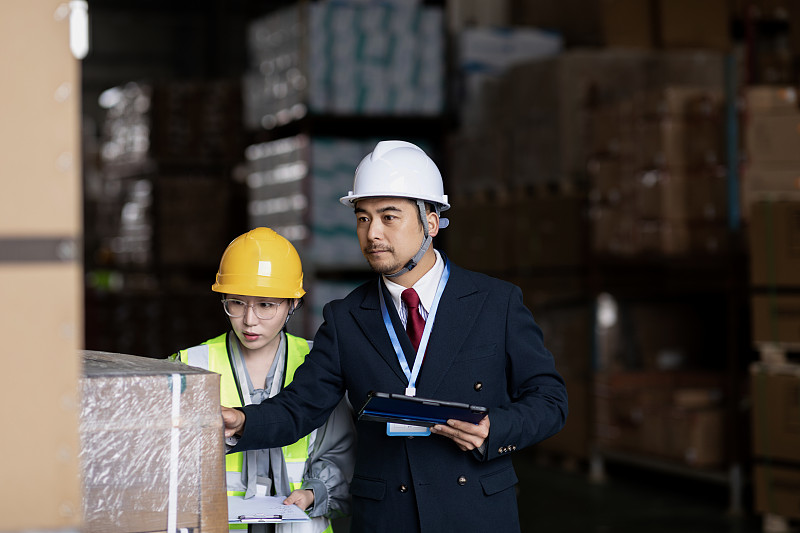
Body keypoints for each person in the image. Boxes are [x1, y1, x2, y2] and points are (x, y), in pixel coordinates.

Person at [222, 141, 568, 532]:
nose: (373, 234)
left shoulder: (496, 303)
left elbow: (550, 400)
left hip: (475, 512)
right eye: (363, 218)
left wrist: (495, 429)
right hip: (387, 517)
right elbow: (299, 407)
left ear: (431, 221)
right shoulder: (346, 317)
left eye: (389, 217)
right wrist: (239, 422)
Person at [172, 227, 355, 533]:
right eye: (236, 303)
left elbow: (341, 451)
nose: (249, 319)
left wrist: (316, 492)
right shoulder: (191, 365)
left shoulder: (320, 365)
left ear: (293, 304)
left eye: (266, 305)